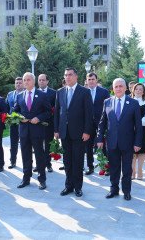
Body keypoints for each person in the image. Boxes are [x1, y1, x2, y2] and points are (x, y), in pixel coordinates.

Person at [97, 78, 142, 201]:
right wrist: (99, 138)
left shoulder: (133, 103)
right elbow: (102, 123)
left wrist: (138, 142)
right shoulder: (107, 102)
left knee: (127, 168)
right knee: (114, 167)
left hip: (128, 142)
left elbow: (138, 126)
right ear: (113, 88)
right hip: (111, 142)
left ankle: (126, 191)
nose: (118, 89)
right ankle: (114, 189)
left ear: (125, 88)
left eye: (120, 86)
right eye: (116, 86)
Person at [54, 67, 93, 197]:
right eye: (66, 75)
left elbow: (89, 114)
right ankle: (68, 185)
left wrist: (87, 131)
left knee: (78, 161)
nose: (68, 77)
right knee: (67, 161)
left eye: (70, 75)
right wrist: (56, 130)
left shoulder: (84, 92)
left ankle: (78, 187)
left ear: (76, 76)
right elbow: (58, 113)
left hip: (79, 133)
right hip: (64, 133)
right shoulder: (60, 92)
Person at [13, 72, 52, 190]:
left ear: (34, 81)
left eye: (28, 80)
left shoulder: (41, 95)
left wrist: (39, 118)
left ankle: (42, 179)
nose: (25, 82)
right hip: (24, 131)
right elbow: (15, 111)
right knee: (25, 155)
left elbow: (49, 111)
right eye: (24, 80)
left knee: (40, 155)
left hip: (37, 130)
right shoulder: (20, 95)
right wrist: (20, 117)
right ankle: (26, 178)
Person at [85, 72, 110, 175]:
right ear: (87, 81)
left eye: (93, 79)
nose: (91, 81)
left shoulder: (104, 92)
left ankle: (107, 167)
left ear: (96, 80)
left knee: (103, 145)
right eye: (89, 79)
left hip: (101, 122)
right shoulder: (83, 92)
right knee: (88, 146)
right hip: (87, 123)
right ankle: (90, 167)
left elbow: (108, 107)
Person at [131, 83, 145, 180]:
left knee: (142, 151)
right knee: (132, 152)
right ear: (133, 90)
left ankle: (140, 171)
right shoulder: (130, 101)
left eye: (140, 89)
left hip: (143, 129)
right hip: (131, 130)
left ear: (143, 92)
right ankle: (132, 171)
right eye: (137, 89)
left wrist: (137, 124)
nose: (138, 91)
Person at [37, 73, 56, 173]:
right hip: (37, 124)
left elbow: (56, 108)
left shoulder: (53, 93)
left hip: (49, 123)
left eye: (43, 80)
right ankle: (39, 164)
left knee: (48, 145)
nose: (41, 82)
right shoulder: (34, 92)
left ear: (47, 81)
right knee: (38, 145)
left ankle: (48, 164)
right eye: (39, 80)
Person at [6, 77, 24, 169]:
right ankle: (12, 161)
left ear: (24, 84)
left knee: (26, 144)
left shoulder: (26, 94)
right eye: (16, 83)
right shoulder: (10, 94)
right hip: (12, 123)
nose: (18, 84)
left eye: (20, 83)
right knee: (13, 143)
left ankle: (29, 163)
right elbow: (7, 107)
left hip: (23, 123)